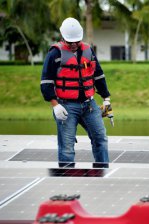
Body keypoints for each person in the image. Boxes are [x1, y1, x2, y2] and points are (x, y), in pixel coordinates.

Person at [40, 17, 111, 168]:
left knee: (100, 138)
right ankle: (66, 182)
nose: (73, 45)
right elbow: (46, 82)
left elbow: (98, 75)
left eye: (76, 41)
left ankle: (103, 172)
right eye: (69, 41)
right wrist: (55, 105)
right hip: (66, 106)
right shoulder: (55, 54)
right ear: (62, 37)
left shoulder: (88, 51)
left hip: (89, 105)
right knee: (67, 147)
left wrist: (106, 99)